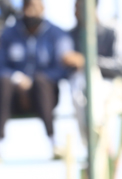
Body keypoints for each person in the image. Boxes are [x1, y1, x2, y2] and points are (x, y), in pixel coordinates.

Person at [0, 0, 74, 157]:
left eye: (34, 7)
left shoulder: (57, 34)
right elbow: (1, 66)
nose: (30, 12)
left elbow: (62, 69)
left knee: (41, 81)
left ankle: (54, 141)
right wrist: (17, 78)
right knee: (4, 82)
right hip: (14, 95)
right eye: (27, 7)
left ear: (42, 8)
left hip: (45, 95)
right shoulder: (8, 34)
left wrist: (34, 81)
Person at [64, 0, 122, 145]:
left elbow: (120, 66)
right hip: (82, 91)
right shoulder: (70, 37)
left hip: (111, 89)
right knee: (78, 84)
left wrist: (88, 62)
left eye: (80, 7)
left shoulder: (112, 31)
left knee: (94, 88)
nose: (76, 12)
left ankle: (99, 140)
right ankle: (92, 144)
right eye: (75, 8)